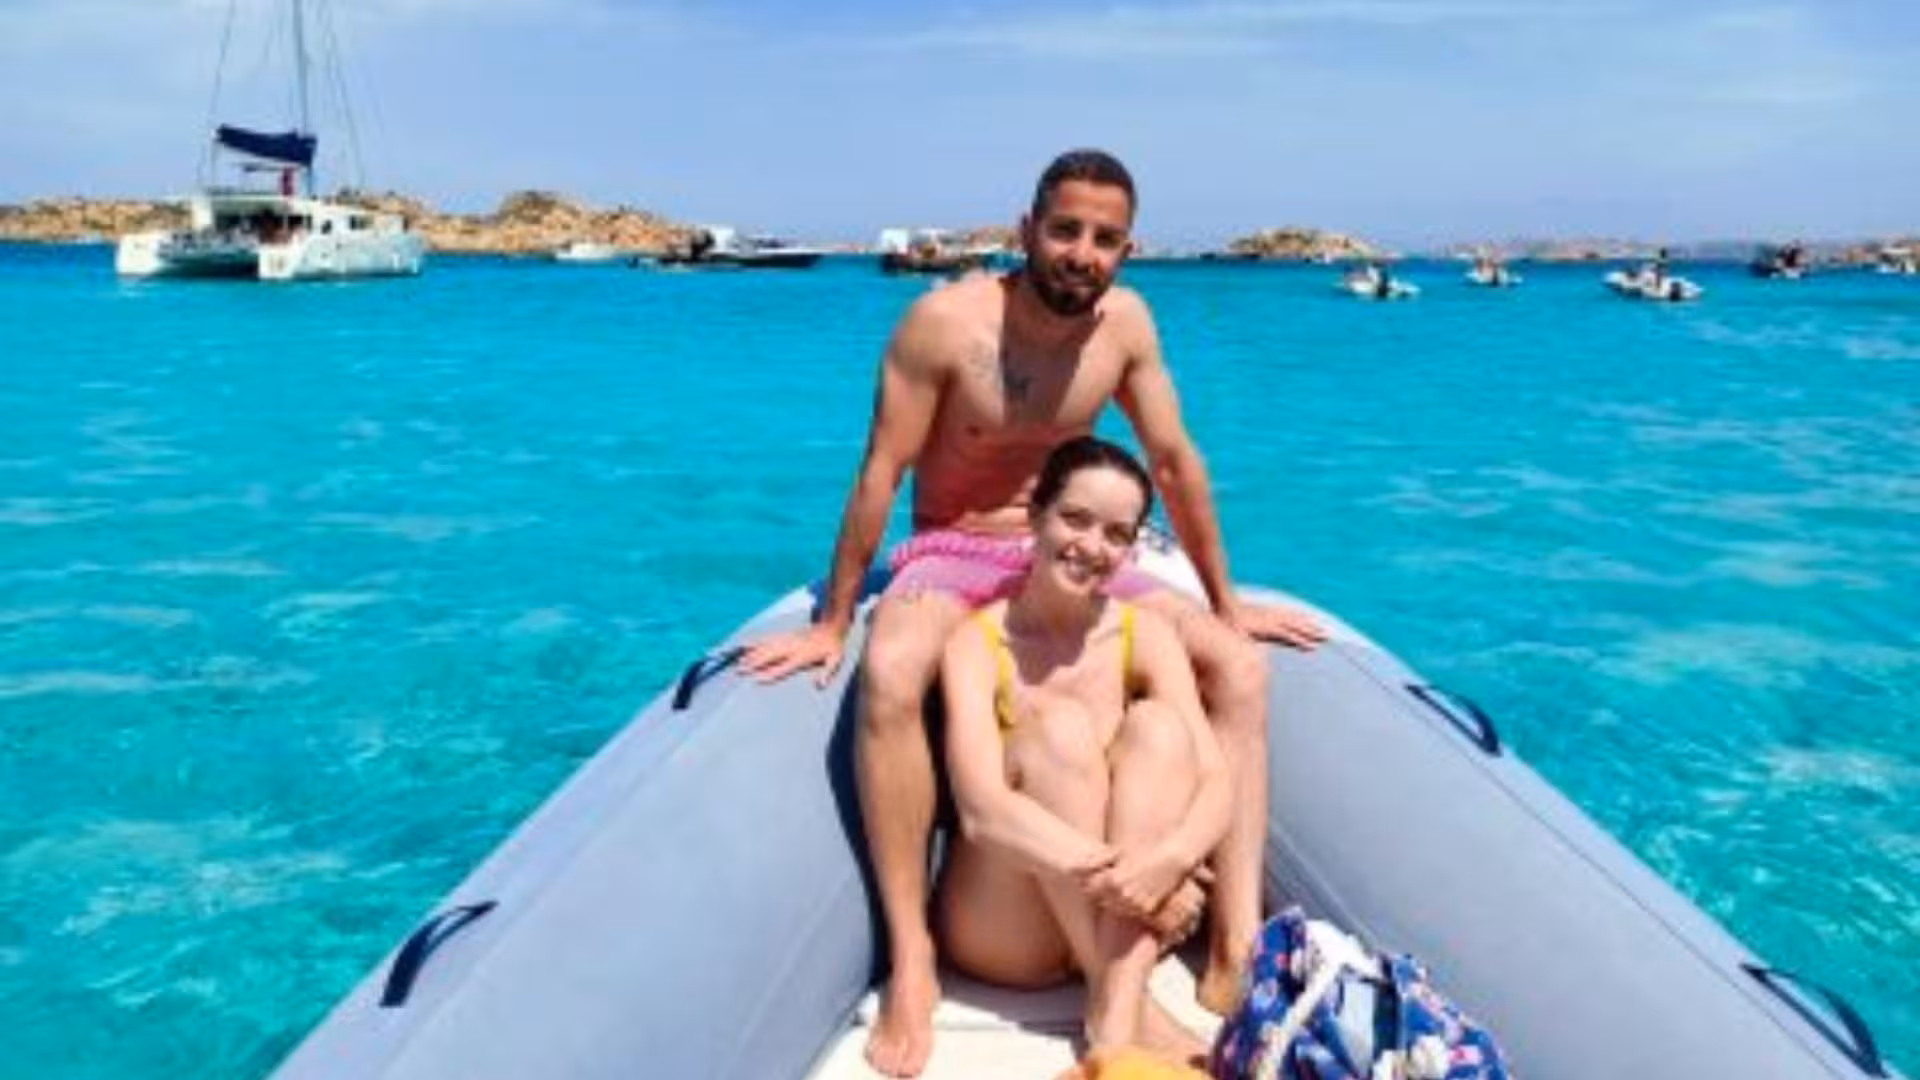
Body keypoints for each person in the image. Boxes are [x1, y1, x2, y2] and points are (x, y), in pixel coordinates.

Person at [740, 148, 1326, 1077]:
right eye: (1065, 231)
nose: (1081, 253)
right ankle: (915, 956)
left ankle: (1233, 948)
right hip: (956, 548)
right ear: (1027, 230)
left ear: (1126, 250)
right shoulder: (943, 325)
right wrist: (833, 618)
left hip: (1076, 543)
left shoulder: (1126, 328)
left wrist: (1227, 603)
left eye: (1103, 239)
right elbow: (881, 472)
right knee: (892, 673)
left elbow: (1172, 463)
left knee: (1239, 669)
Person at [938, 436, 1229, 1056]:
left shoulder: (1145, 635)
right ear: (1037, 515)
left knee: (1162, 730)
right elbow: (982, 811)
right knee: (1058, 728)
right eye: (1075, 518)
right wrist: (1132, 881)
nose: (1092, 547)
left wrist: (1171, 860)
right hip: (1007, 932)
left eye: (1117, 534)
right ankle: (1124, 1002)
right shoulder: (976, 644)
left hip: (1109, 919)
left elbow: (1215, 780)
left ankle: (1113, 1025)